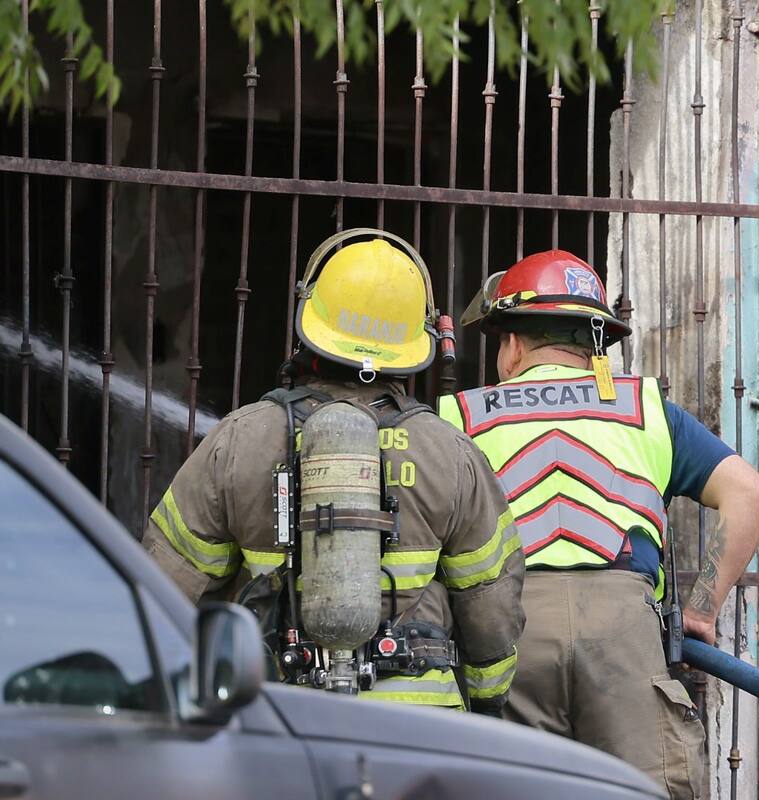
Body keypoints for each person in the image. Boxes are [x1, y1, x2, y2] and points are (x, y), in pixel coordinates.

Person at [144, 228, 524, 713]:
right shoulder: (448, 451)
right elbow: (490, 603)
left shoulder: (242, 439)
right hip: (421, 732)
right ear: (418, 341)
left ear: (311, 326)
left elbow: (165, 590)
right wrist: (489, 703)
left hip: (280, 718)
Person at [439, 250, 759, 797]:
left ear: (513, 344)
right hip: (625, 633)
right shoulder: (645, 407)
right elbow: (752, 495)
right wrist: (702, 609)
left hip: (511, 631)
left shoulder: (461, 416)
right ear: (595, 344)